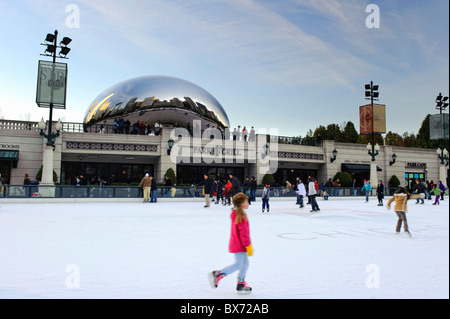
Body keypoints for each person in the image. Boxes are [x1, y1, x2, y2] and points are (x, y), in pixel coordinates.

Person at [209, 193, 253, 295]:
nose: (247, 203)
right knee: (238, 264)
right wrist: (248, 246)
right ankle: (217, 274)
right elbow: (244, 234)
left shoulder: (237, 214)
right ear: (242, 203)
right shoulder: (240, 216)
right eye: (246, 201)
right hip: (240, 245)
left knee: (245, 264)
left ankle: (241, 283)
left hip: (238, 244)